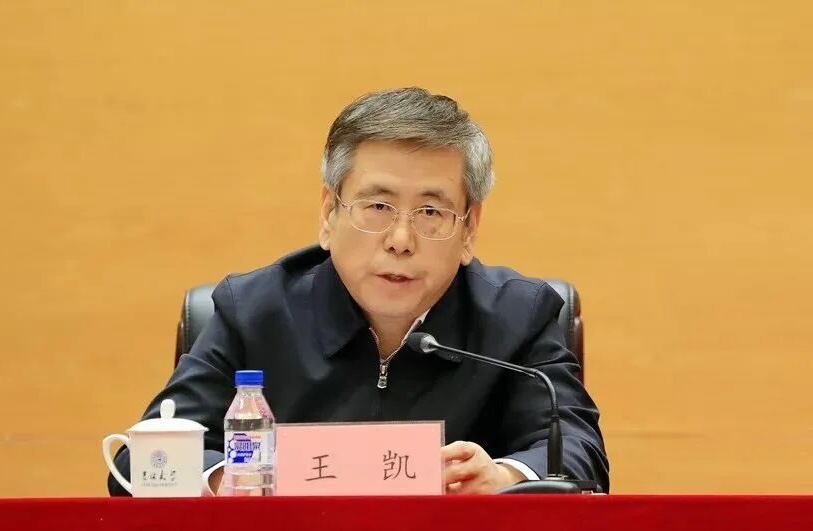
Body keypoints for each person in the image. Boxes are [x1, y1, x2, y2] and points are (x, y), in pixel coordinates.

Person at [108, 87, 609, 496]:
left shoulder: (518, 315)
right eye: (377, 207)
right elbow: (139, 463)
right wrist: (232, 480)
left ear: (469, 229)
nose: (400, 240)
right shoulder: (256, 311)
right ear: (329, 214)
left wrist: (504, 478)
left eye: (431, 212)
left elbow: (580, 457)